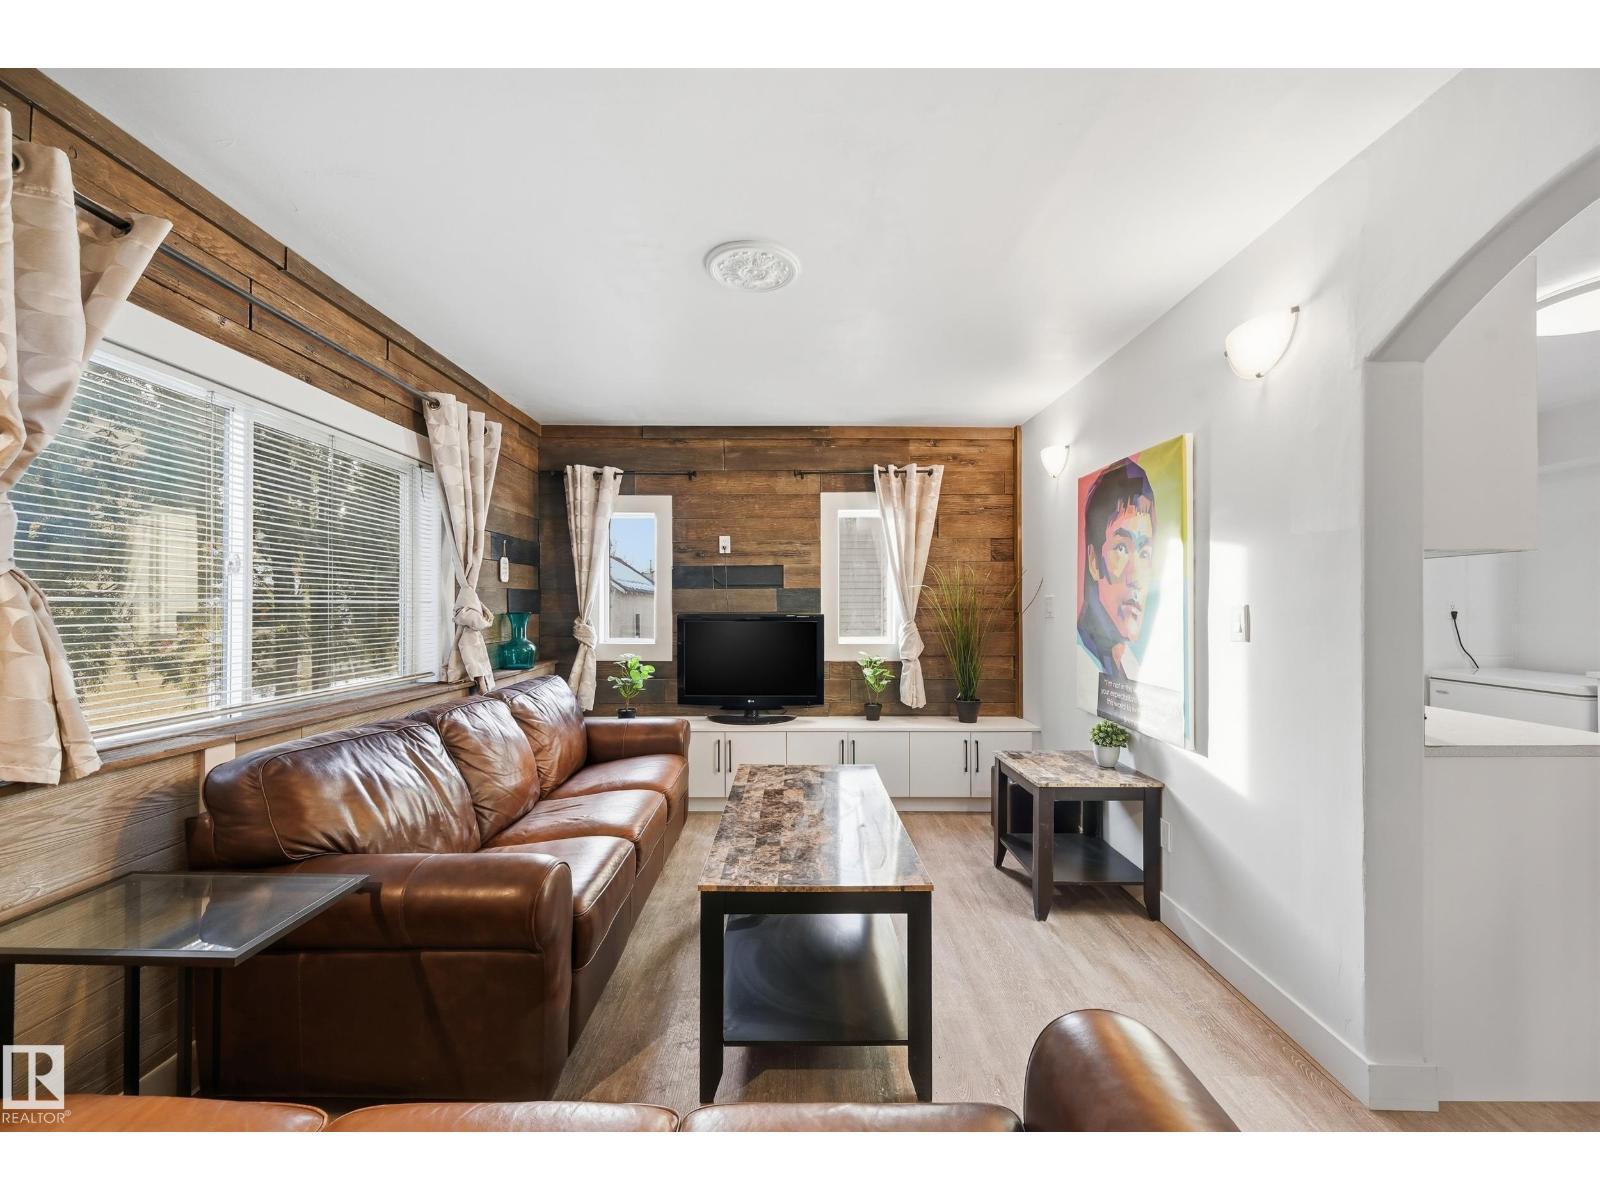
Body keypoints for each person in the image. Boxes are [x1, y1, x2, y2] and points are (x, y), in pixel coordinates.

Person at [1077, 457, 1157, 680]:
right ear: (1094, 561)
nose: (1135, 577)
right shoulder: (1082, 661)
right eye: (1121, 548)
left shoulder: (1129, 665)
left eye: (1144, 553)